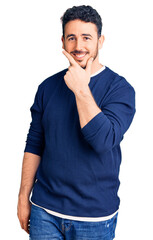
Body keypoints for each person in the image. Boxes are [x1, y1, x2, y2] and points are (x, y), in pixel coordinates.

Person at [17, 5, 136, 240]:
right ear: (63, 42)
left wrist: (82, 88)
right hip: (45, 212)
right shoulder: (47, 87)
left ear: (100, 41)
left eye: (86, 38)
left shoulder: (120, 89)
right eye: (71, 38)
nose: (78, 46)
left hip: (94, 219)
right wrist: (23, 198)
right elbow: (34, 144)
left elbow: (103, 141)